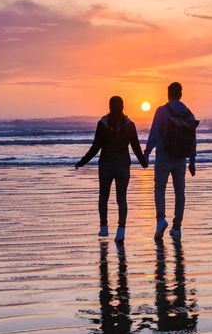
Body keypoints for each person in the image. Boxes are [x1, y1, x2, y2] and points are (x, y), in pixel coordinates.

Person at [76, 96, 148, 242]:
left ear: (109, 107)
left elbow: (96, 147)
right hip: (122, 166)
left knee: (103, 197)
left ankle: (104, 227)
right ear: (123, 107)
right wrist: (143, 162)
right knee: (121, 199)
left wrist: (82, 162)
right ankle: (121, 230)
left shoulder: (103, 124)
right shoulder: (129, 124)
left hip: (106, 166)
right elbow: (135, 146)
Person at [144, 82, 198, 239]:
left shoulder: (162, 111)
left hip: (163, 156)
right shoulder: (189, 114)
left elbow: (153, 134)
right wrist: (192, 161)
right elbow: (192, 139)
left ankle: (161, 219)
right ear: (180, 95)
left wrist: (146, 153)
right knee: (179, 192)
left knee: (159, 188)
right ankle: (177, 227)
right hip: (181, 158)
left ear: (168, 94)